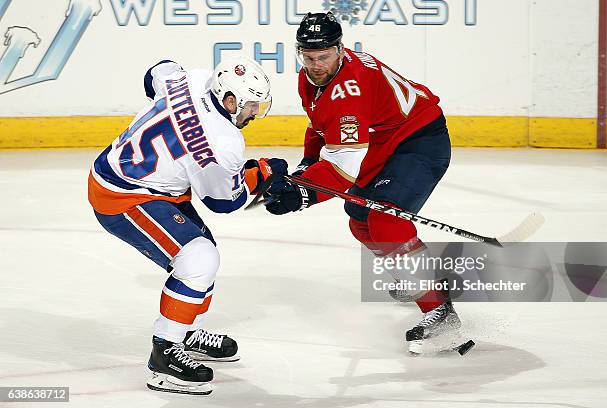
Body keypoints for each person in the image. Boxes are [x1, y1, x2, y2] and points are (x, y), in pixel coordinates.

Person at [88, 56, 286, 394]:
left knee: (200, 253)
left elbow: (157, 72)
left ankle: (187, 329)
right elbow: (223, 201)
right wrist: (260, 174)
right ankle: (164, 357)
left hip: (141, 179)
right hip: (124, 196)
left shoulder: (194, 79)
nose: (253, 113)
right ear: (230, 99)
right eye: (251, 105)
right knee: (198, 259)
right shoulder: (223, 141)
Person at [264, 12, 459, 354]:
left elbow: (344, 168)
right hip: (385, 140)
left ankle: (440, 308)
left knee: (385, 218)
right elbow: (320, 125)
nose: (316, 65)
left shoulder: (350, 89)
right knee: (358, 215)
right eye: (308, 57)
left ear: (340, 49)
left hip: (419, 140)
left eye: (324, 56)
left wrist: (303, 192)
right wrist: (308, 164)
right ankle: (412, 274)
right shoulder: (309, 78)